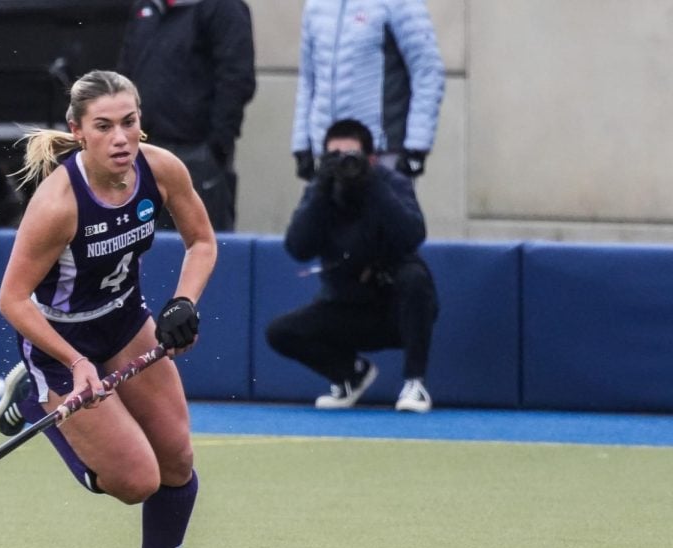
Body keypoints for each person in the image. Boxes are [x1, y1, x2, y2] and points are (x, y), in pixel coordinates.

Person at [0, 70, 217, 548]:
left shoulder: (160, 170)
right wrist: (75, 362)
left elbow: (202, 243)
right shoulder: (57, 204)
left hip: (122, 322)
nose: (121, 138)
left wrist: (183, 303)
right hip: (59, 343)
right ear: (79, 131)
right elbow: (12, 300)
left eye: (130, 122)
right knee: (136, 481)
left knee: (177, 458)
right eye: (105, 126)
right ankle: (32, 397)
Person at [266, 118, 438, 412]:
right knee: (280, 331)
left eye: (351, 157)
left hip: (395, 310)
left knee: (415, 278)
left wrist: (370, 184)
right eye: (334, 157)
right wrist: (321, 187)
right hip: (345, 307)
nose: (344, 165)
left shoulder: (390, 183)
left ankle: (415, 383)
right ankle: (351, 374)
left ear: (370, 158)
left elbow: (413, 235)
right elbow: (297, 248)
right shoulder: (320, 192)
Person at [118, 0, 255, 232]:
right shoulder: (146, 7)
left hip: (197, 155)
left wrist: (215, 147)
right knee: (141, 247)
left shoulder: (223, 7)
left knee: (201, 245)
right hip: (143, 152)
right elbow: (124, 75)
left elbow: (236, 79)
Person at [291, 0, 444, 181]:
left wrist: (416, 148)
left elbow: (427, 72)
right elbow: (308, 79)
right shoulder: (316, 5)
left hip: (382, 152)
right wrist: (301, 145)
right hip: (329, 151)